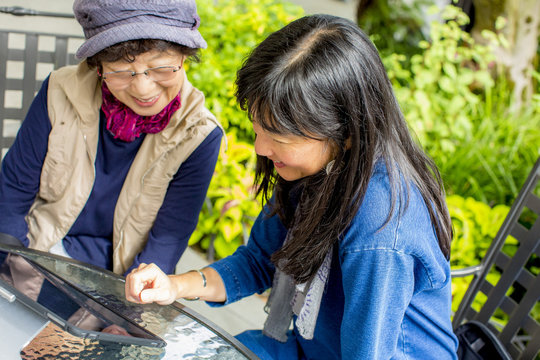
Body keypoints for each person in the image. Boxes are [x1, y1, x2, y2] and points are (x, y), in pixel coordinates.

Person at [125, 14, 459, 359]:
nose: (260, 148)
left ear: (344, 132)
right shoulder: (318, 171)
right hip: (311, 347)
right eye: (257, 129)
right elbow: (259, 261)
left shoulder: (381, 232)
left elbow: (367, 353)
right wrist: (175, 285)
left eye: (278, 136)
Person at [0, 0, 223, 276]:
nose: (143, 89)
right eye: (120, 72)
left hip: (118, 281)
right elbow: (13, 192)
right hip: (37, 253)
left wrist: (130, 306)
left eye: (161, 69)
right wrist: (14, 264)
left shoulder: (199, 134)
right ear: (98, 67)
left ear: (184, 57)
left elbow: (166, 242)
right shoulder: (59, 91)